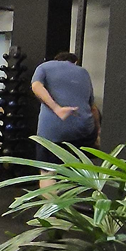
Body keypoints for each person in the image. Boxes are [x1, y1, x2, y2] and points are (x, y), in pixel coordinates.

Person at [30, 52, 101, 188]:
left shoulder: (44, 67)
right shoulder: (83, 72)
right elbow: (93, 108)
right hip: (84, 131)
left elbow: (36, 86)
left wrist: (57, 108)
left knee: (47, 172)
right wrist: (97, 133)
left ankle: (51, 201)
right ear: (75, 62)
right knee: (79, 170)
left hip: (52, 132)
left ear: (56, 60)